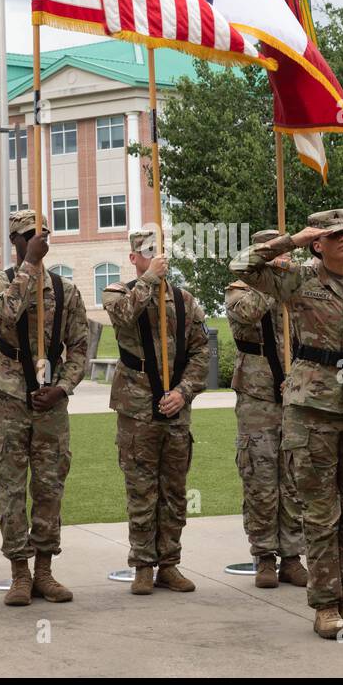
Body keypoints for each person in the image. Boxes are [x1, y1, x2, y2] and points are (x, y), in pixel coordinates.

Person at [230, 209, 343, 640]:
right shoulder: (299, 279)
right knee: (321, 515)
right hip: (311, 410)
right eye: (334, 234)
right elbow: (241, 265)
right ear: (319, 243)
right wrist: (293, 240)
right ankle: (325, 606)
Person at [0, 210, 89, 606]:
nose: (37, 239)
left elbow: (79, 347)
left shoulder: (66, 291)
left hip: (50, 403)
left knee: (49, 486)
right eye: (28, 235)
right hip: (10, 398)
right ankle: (19, 573)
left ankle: (44, 569)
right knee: (10, 488)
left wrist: (62, 388)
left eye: (41, 233)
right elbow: (6, 313)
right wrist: (29, 265)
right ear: (15, 242)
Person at [103, 228, 210, 596]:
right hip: (136, 407)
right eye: (146, 252)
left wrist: (184, 391)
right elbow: (122, 317)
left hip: (175, 409)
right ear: (134, 258)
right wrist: (148, 279)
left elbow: (201, 352)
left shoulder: (185, 301)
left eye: (158, 252)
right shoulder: (119, 292)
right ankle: (143, 565)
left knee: (175, 491)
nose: (155, 257)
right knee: (141, 489)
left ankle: (169, 564)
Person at [225, 228, 307, 589]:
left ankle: (292, 556)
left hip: (296, 394)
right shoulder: (239, 291)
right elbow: (249, 314)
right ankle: (264, 557)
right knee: (260, 479)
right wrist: (271, 280)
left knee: (293, 478)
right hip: (258, 397)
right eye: (271, 253)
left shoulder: (297, 289)